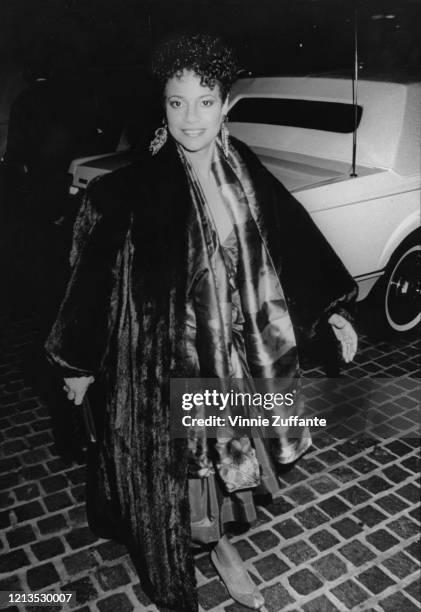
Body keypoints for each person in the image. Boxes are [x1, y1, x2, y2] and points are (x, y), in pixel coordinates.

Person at [45, 34, 358, 611]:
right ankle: (209, 549)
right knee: (189, 471)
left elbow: (292, 244)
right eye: (176, 102)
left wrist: (330, 311)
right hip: (175, 364)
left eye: (205, 101)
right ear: (161, 106)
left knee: (226, 464)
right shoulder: (132, 193)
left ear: (225, 104)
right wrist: (78, 363)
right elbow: (92, 283)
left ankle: (220, 546)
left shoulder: (246, 170)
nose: (192, 118)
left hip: (238, 356)